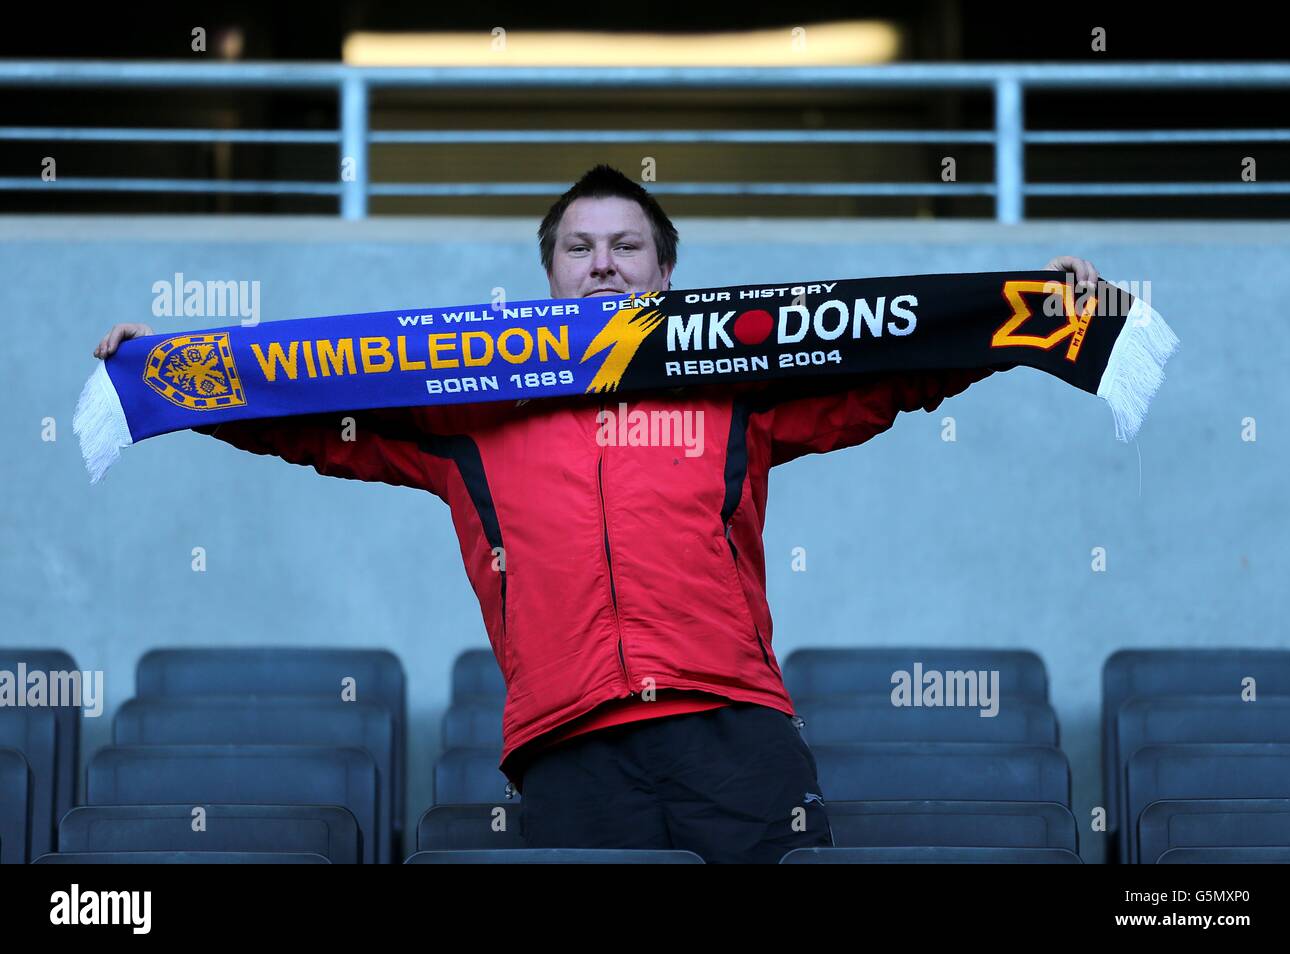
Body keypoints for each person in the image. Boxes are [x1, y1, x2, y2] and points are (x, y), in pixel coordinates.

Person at [94, 164, 1101, 863]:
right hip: (567, 745)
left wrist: (1035, 314)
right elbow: (309, 412)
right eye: (580, 248)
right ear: (549, 275)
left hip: (734, 731)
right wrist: (174, 372)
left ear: (665, 276)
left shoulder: (736, 385)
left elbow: (889, 365)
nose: (603, 263)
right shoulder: (466, 412)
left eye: (626, 247)